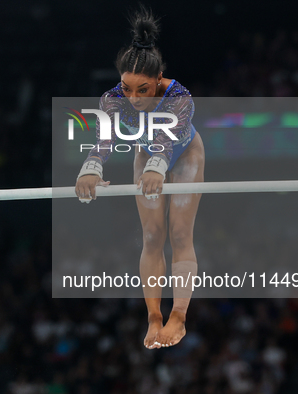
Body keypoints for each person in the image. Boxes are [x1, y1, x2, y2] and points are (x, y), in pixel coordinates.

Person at [74, 6, 205, 349]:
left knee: (178, 232)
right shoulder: (113, 100)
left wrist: (158, 166)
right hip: (146, 155)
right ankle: (154, 317)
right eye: (126, 87)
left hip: (184, 153)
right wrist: (91, 170)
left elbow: (168, 139)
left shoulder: (180, 97)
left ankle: (178, 314)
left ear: (160, 78)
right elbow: (104, 141)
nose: (133, 98)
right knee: (151, 234)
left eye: (142, 89)